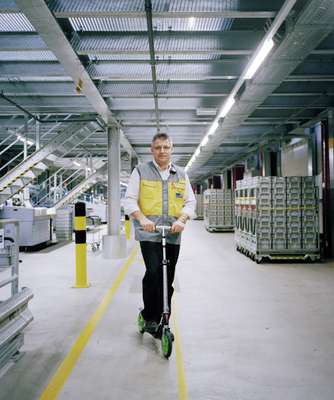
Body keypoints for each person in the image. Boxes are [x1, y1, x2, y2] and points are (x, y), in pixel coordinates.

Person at [124, 133, 196, 337]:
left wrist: (182, 220)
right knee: (154, 272)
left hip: (172, 233)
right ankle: (150, 317)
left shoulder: (181, 174)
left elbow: (190, 202)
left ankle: (163, 319)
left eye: (166, 147)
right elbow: (129, 200)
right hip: (149, 233)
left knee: (168, 277)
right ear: (151, 149)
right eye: (158, 147)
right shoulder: (140, 171)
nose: (162, 151)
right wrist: (142, 219)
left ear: (171, 148)